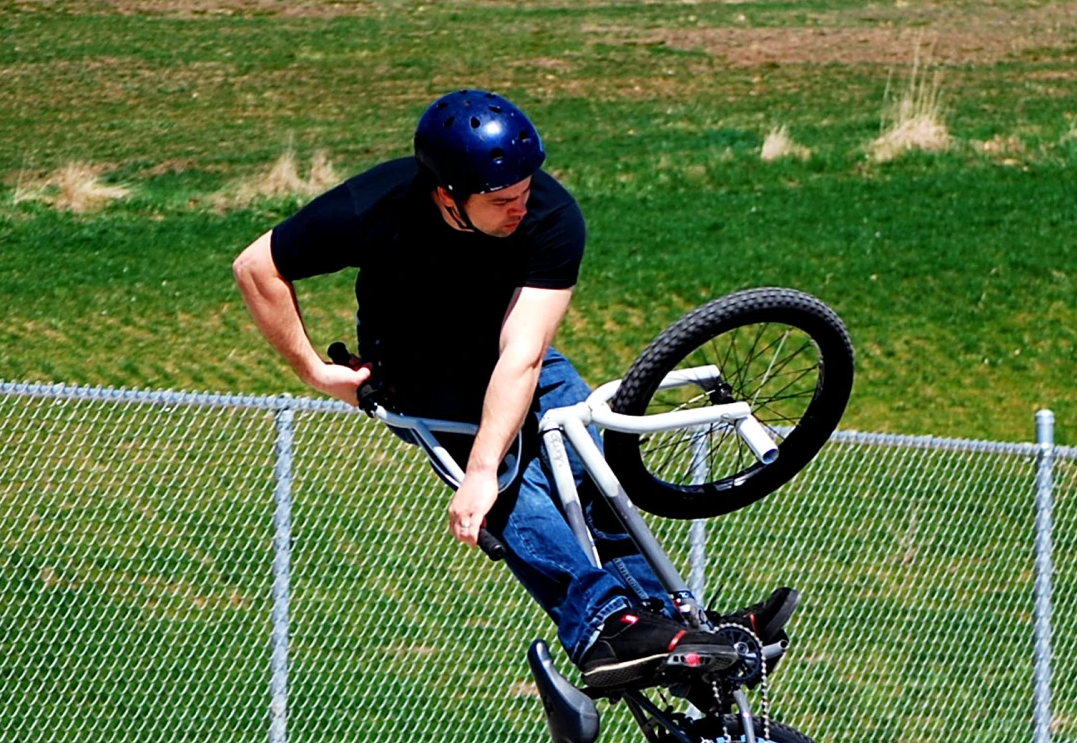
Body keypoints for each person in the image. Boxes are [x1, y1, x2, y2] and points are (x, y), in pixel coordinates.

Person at [233, 90, 794, 692]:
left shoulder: (552, 215)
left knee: (591, 470)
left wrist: (488, 458)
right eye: (501, 199)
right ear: (447, 193)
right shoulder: (378, 205)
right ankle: (604, 627)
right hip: (420, 380)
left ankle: (672, 633)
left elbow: (523, 355)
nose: (520, 207)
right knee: (508, 484)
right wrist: (317, 372)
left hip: (514, 359)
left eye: (526, 187)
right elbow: (256, 267)